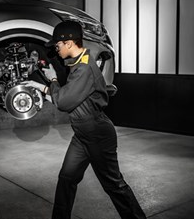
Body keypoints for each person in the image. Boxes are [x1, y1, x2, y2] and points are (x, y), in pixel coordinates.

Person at [23, 20, 147, 219]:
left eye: (58, 45)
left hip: (97, 134)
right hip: (82, 136)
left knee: (114, 185)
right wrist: (43, 90)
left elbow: (63, 101)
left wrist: (51, 82)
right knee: (66, 179)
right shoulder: (77, 65)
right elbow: (69, 99)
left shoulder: (84, 68)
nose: (56, 50)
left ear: (69, 43)